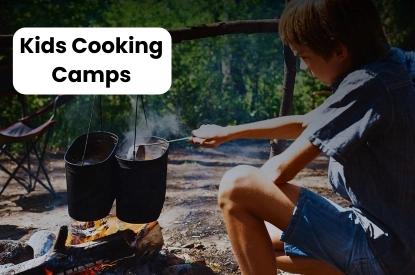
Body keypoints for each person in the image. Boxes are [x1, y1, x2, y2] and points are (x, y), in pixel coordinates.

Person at [190, 0, 415, 274]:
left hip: (387, 252)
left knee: (236, 186)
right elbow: (307, 123)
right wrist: (228, 133)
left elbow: (280, 171)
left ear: (339, 50)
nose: (304, 66)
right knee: (259, 238)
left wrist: (256, 194)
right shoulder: (389, 66)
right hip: (399, 245)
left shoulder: (367, 84)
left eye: (305, 56)